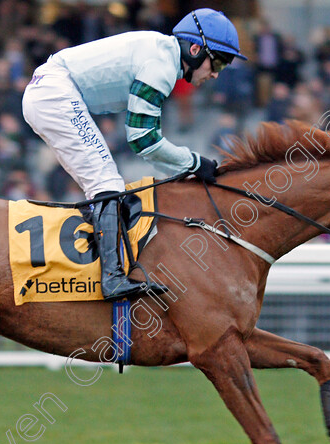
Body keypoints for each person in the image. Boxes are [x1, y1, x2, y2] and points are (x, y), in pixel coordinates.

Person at [22, 9, 246, 301]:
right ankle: (112, 278)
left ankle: (105, 268)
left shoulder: (161, 54)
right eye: (217, 62)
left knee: (108, 186)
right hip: (55, 93)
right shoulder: (161, 65)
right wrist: (195, 163)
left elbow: (140, 139)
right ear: (194, 49)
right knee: (107, 184)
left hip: (52, 90)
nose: (215, 73)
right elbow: (143, 140)